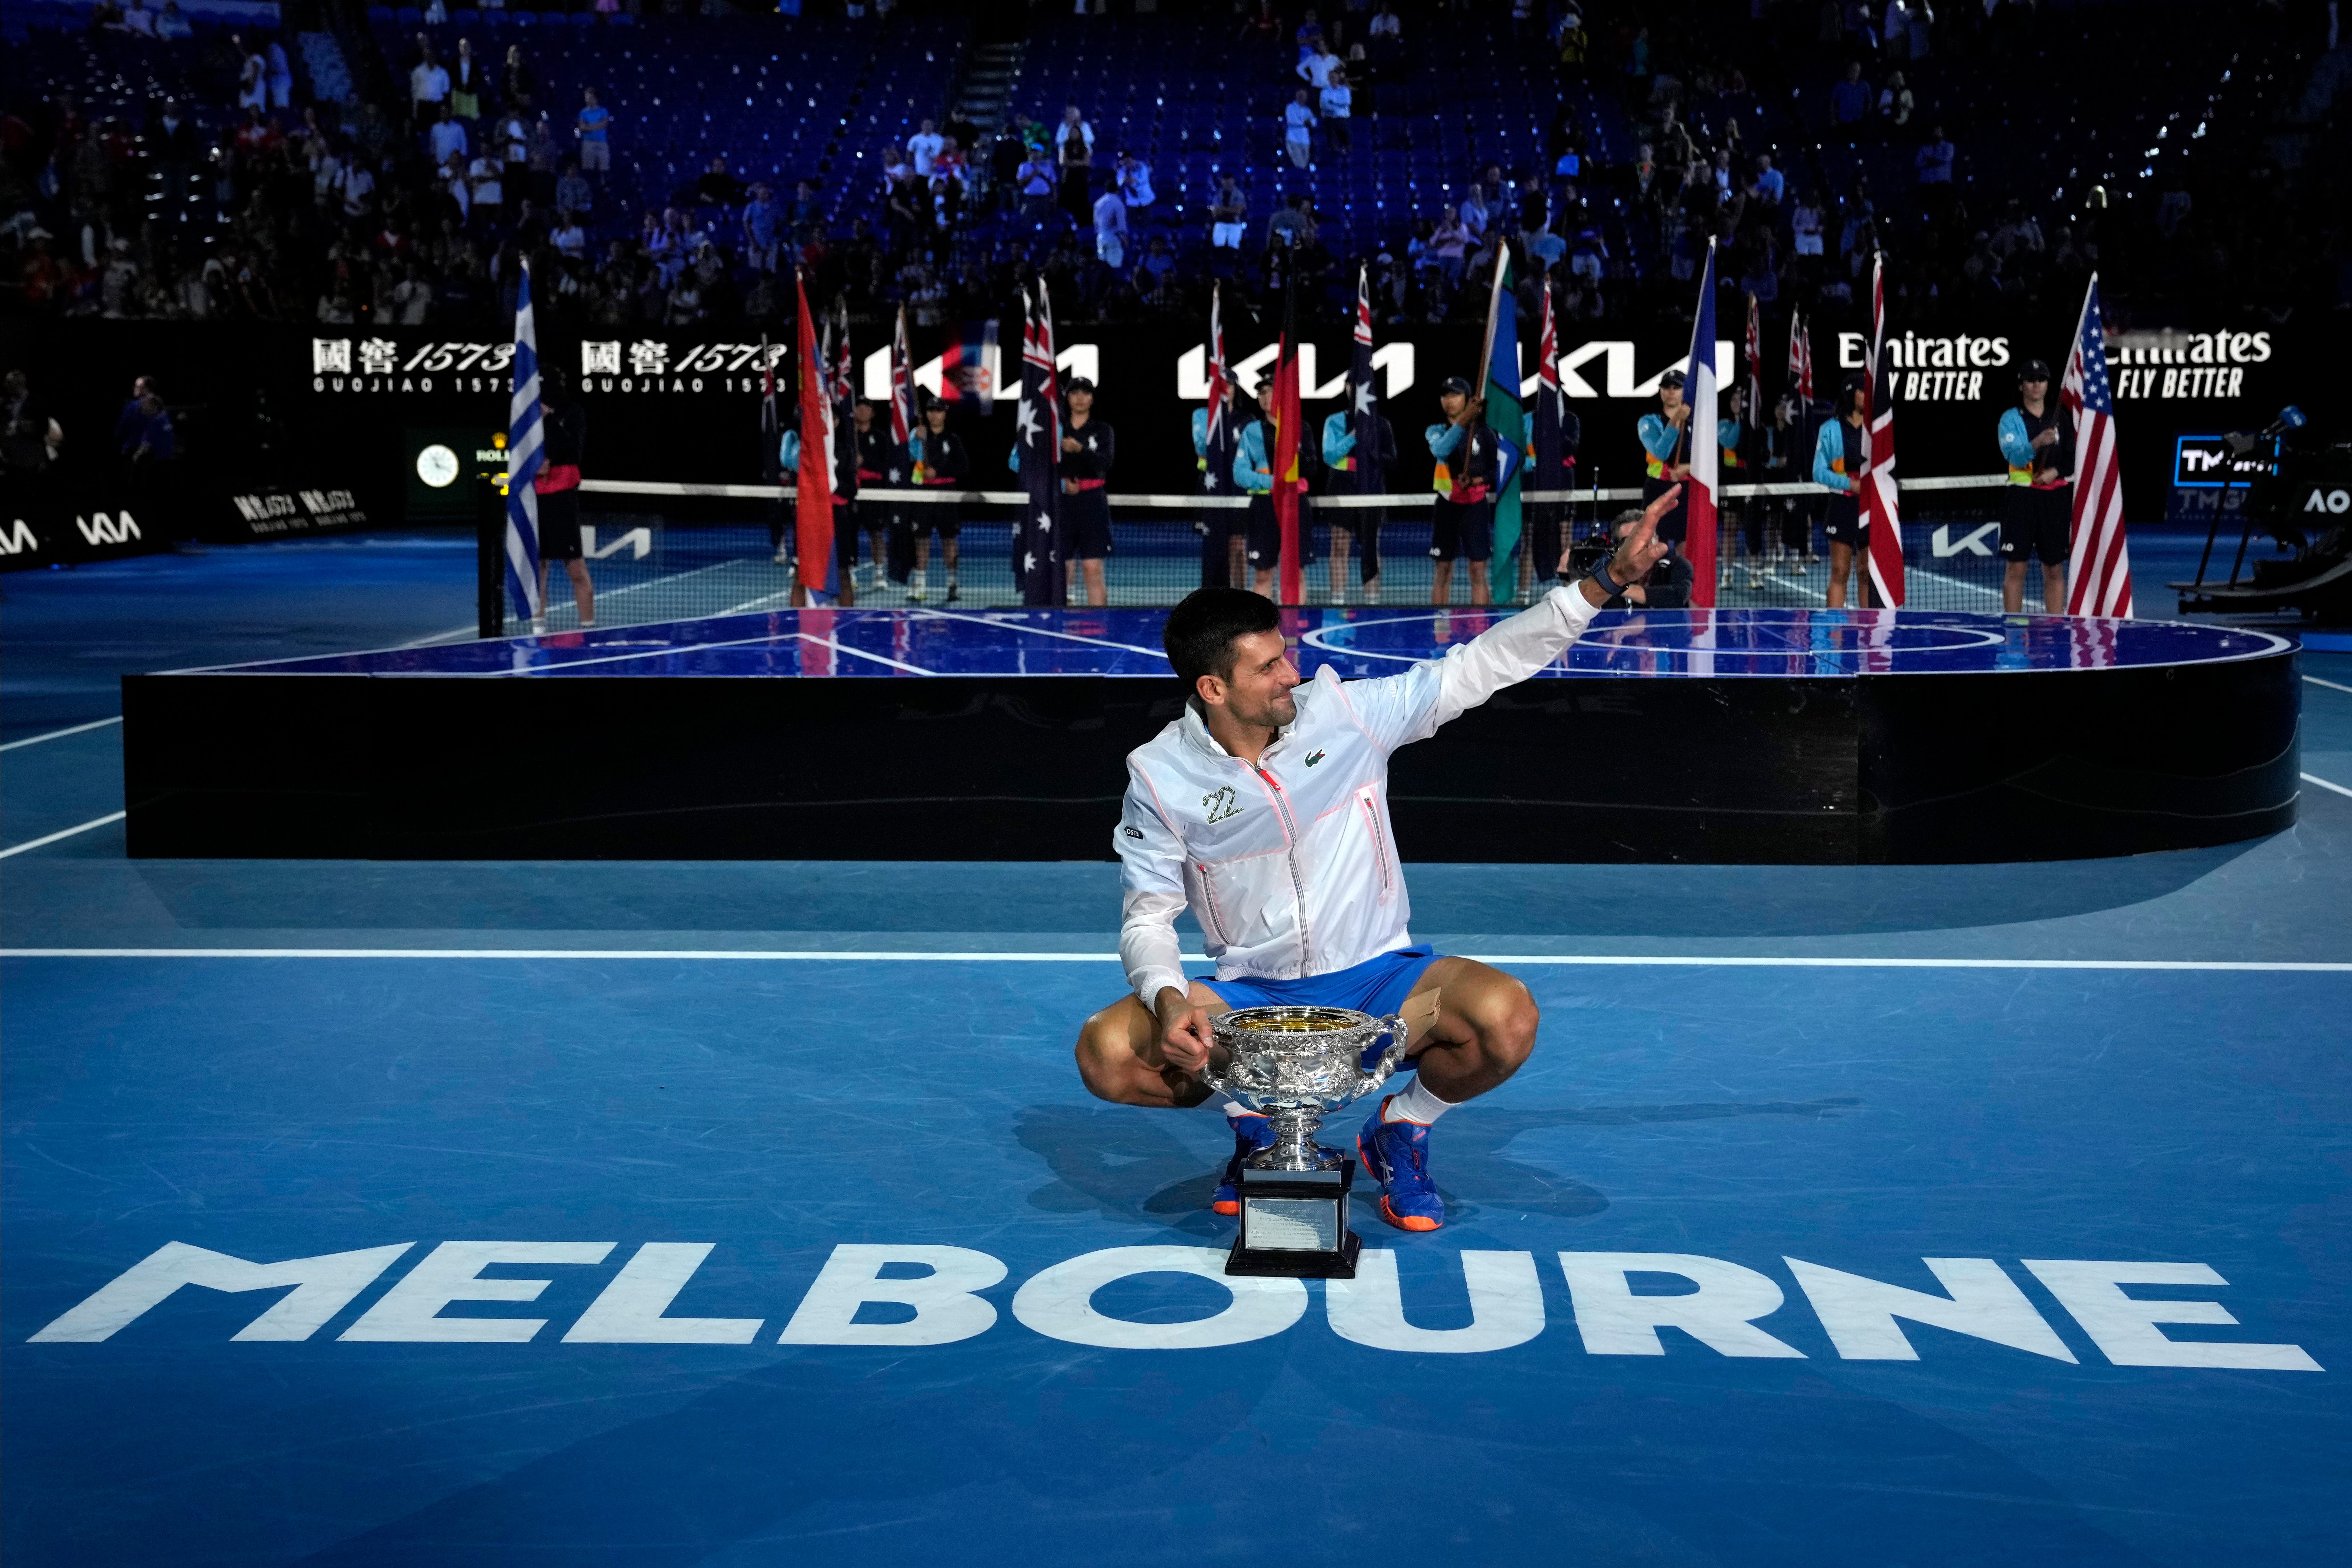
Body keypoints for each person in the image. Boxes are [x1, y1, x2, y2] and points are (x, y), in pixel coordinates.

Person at [1071, 488, 1677, 1229]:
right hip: (1252, 1000)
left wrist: (1604, 582)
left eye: (1285, 654)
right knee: (1107, 1051)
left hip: (1379, 978)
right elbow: (1148, 918)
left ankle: (1402, 1127)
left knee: (1505, 1017)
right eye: (1267, 667)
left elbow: (1481, 665)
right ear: (1213, 688)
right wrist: (1169, 1001)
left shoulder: (1348, 713)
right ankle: (1259, 1123)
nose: (1291, 672)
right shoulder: (1160, 776)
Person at [1997, 359, 2073, 614]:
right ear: (2022, 387)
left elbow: (2072, 459)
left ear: (2048, 385)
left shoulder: (2060, 418)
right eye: (2031, 381)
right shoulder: (2011, 420)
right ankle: (2015, 629)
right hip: (2021, 500)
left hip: (2054, 501)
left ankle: (2054, 628)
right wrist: (2038, 442)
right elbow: (2015, 457)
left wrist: (2055, 472)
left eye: (2041, 380)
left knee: (2054, 568)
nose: (2036, 385)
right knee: (2017, 567)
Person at [1424, 375, 1496, 605]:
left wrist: (1477, 480)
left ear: (1468, 399)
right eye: (1445, 395)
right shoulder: (1436, 431)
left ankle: (1481, 632)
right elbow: (1441, 450)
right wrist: (1465, 420)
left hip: (1475, 507)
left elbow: (1498, 472)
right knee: (1443, 571)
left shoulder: (1485, 434)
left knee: (1477, 571)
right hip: (1447, 506)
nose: (1449, 400)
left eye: (1455, 395)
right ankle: (1440, 632)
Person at [1321, 392, 1396, 603]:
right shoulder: (1334, 421)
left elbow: (1392, 460)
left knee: (1371, 549)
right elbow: (1330, 456)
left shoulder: (1382, 424)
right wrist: (1354, 436)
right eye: (1349, 383)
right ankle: (1337, 602)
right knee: (1339, 547)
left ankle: (1373, 602)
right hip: (1340, 489)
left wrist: (1371, 453)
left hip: (1371, 491)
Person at [534, 367, 593, 628]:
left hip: (562, 499)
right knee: (538, 570)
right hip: (533, 498)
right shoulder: (526, 414)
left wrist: (548, 419)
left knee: (577, 571)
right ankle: (537, 631)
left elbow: (574, 450)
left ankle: (588, 629)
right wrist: (531, 466)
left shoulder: (574, 412)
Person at [902, 395, 967, 603]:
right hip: (923, 495)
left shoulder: (953, 439)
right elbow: (911, 459)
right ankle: (920, 585)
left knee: (949, 540)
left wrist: (938, 471)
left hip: (946, 495)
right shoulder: (919, 436)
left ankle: (952, 584)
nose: (934, 415)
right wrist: (915, 440)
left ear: (945, 414)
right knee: (921, 540)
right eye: (931, 410)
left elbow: (964, 467)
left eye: (939, 411)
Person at [1058, 377, 1115, 607]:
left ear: (1092, 398)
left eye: (1085, 393)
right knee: (1063, 570)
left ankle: (1101, 629)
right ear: (1068, 398)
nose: (1080, 398)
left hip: (1093, 504)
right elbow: (1040, 466)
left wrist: (1080, 449)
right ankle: (1059, 629)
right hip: (1062, 504)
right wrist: (1062, 485)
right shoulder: (1056, 429)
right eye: (1075, 393)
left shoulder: (1103, 431)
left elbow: (1105, 463)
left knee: (1092, 569)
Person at [1814, 378, 1869, 608]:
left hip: (1871, 507)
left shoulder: (1878, 428)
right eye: (1863, 391)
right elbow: (1818, 472)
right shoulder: (1829, 429)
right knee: (1840, 571)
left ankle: (1871, 637)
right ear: (1851, 394)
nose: (1868, 395)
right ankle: (1835, 637)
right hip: (1842, 507)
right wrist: (1850, 484)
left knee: (1866, 572)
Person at [1636, 368, 1692, 550]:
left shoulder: (1697, 424)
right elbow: (1661, 453)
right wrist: (1677, 418)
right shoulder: (1649, 422)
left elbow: (1710, 465)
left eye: (1676, 387)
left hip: (1686, 492)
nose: (1671, 391)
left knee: (1684, 548)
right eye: (1666, 387)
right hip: (1656, 490)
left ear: (1685, 391)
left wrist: (1686, 469)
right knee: (1653, 548)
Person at [1318, 67, 1353, 156]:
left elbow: (1347, 102)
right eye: (1331, 77)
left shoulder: (1345, 90)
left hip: (1342, 119)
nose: (1333, 79)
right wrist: (1337, 107)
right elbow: (1324, 105)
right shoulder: (1325, 92)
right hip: (1330, 120)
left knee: (1347, 142)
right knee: (1333, 144)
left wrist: (1333, 103)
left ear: (1338, 78)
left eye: (1335, 77)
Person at [575, 88, 610, 174]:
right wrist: (598, 126)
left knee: (604, 170)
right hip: (588, 144)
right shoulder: (583, 113)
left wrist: (589, 127)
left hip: (602, 143)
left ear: (595, 99)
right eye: (586, 98)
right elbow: (582, 128)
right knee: (588, 170)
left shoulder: (603, 111)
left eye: (589, 98)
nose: (587, 100)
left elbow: (604, 124)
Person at [1283, 86, 1317, 170]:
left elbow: (1314, 122)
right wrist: (1305, 123)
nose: (1302, 97)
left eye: (1304, 96)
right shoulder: (1291, 107)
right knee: (1300, 164)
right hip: (1293, 139)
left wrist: (1310, 122)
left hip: (1305, 140)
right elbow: (1292, 121)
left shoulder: (1307, 110)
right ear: (1296, 96)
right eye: (1300, 95)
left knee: (1305, 164)